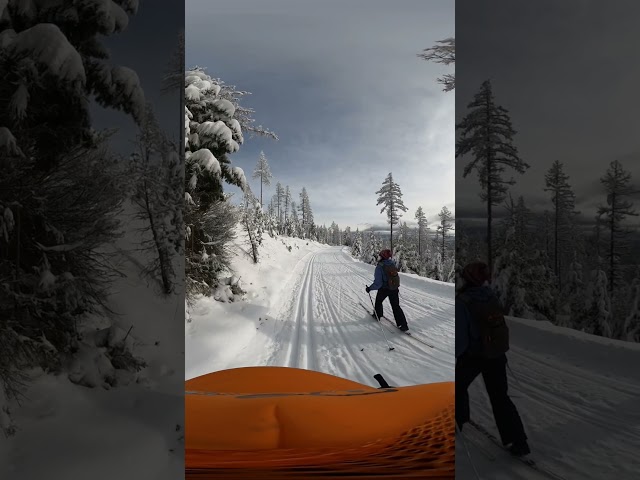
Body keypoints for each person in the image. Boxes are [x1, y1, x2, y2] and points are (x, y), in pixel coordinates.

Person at [455, 261, 530, 457]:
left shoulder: (463, 301)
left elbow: (461, 339)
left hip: (474, 356)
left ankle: (458, 422)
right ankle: (518, 441)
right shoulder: (490, 296)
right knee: (500, 397)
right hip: (496, 354)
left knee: (457, 387)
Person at [365, 249, 409, 332]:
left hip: (384, 289)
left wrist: (369, 288)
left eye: (380, 256)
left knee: (378, 301)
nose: (379, 257)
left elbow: (378, 283)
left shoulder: (380, 267)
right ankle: (403, 325)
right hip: (394, 288)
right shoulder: (392, 263)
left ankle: (377, 315)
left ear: (382, 257)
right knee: (396, 306)